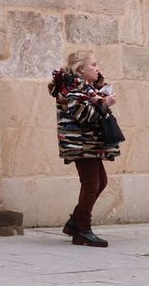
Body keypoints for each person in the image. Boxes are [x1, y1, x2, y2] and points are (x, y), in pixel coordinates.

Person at [48, 50, 121, 247]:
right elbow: (84, 115)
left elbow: (90, 104)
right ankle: (83, 229)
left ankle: (75, 222)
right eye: (93, 65)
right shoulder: (72, 88)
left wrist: (100, 92)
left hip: (89, 144)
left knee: (101, 181)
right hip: (80, 144)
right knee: (91, 184)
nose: (98, 68)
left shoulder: (84, 87)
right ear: (80, 69)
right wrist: (105, 103)